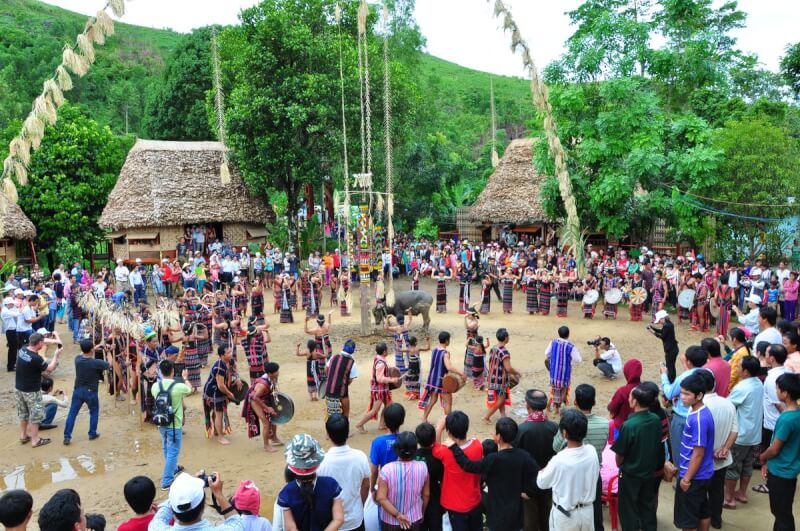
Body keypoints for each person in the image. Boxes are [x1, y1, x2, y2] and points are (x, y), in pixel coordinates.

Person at [448, 417, 538, 531]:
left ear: (499, 437)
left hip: (497, 515)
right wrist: (529, 492)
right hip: (516, 514)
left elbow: (468, 465)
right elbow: (538, 475)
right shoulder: (524, 456)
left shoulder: (493, 459)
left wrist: (454, 448)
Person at [552, 384, 609, 531]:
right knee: (594, 511)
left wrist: (562, 429)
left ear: (575, 402)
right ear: (594, 402)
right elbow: (602, 447)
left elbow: (555, 446)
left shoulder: (569, 425)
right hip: (593, 472)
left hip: (571, 472)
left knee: (570, 510)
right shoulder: (604, 424)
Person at [611, 384, 663, 531]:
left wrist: (620, 465)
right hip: (648, 472)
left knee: (628, 510)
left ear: (635, 402)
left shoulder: (629, 425)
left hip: (631, 474)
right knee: (647, 506)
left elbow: (620, 455)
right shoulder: (655, 419)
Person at [536, 409, 599, 531]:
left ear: (564, 433)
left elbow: (541, 483)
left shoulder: (559, 460)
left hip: (565, 515)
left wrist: (542, 471)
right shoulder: (592, 451)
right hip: (587, 512)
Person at [695, 369, 737, 529]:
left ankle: (702, 521)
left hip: (703, 460)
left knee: (700, 492)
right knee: (717, 490)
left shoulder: (699, 408)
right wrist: (725, 449)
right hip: (722, 458)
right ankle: (716, 519)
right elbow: (735, 429)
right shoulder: (728, 403)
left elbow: (698, 438)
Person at [674, 373, 716, 531]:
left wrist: (686, 479)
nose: (682, 397)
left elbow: (698, 453)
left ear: (699, 395)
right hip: (703, 473)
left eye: (687, 394)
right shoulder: (699, 412)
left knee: (688, 520)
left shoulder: (698, 419)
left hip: (694, 476)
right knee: (702, 511)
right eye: (682, 392)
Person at [278, 433, 345, 531]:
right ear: (316, 462)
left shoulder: (286, 493)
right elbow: (339, 519)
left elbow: (291, 527)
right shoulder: (331, 485)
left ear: (292, 466)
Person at [759, 373, 800, 531]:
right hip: (790, 469)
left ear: (786, 393)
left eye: (778, 388)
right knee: (783, 511)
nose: (776, 391)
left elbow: (775, 448)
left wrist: (762, 458)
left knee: (780, 512)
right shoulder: (796, 414)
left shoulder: (787, 419)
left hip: (781, 471)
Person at [431, 411, 483, 531]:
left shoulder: (445, 452)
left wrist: (439, 428)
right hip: (474, 500)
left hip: (454, 505)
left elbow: (435, 448)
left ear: (448, 432)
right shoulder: (478, 445)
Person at [515, 389, 558, 531]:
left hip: (528, 484)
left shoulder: (521, 429)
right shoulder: (554, 428)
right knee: (547, 518)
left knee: (530, 522)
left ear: (528, 406)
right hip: (550, 481)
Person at [725, 356, 764, 510]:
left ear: (746, 372)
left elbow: (728, 405)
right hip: (754, 434)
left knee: (732, 467)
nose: (737, 368)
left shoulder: (742, 387)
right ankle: (741, 493)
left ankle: (728, 499)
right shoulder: (758, 383)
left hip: (740, 435)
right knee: (747, 465)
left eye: (739, 366)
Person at [318, 415, 370, 531]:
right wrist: (360, 505)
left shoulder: (321, 462)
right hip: (355, 518)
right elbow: (366, 485)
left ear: (328, 435)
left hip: (331, 522)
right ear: (347, 433)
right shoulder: (360, 457)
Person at [661, 345, 708, 464]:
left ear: (688, 361)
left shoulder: (684, 377)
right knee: (697, 448)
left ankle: (681, 478)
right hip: (702, 414)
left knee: (679, 450)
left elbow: (669, 393)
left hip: (682, 417)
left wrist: (663, 375)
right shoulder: (708, 373)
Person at [152, 359, 194, 489]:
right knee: (173, 452)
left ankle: (173, 469)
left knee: (166, 448)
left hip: (161, 422)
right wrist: (185, 378)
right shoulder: (178, 386)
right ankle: (167, 480)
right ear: (173, 371)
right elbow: (190, 389)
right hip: (174, 424)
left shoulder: (155, 386)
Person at [376, 431, 430, 531]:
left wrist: (398, 515)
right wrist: (421, 512)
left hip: (390, 521)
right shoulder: (423, 467)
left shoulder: (387, 469)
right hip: (414, 519)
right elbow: (426, 494)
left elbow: (381, 498)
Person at [150, 472, 242, 530]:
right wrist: (218, 494)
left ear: (174, 510)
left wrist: (182, 489)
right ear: (204, 506)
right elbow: (236, 521)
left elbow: (161, 515)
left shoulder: (155, 528)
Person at [15, 332, 60, 448]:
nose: (43, 344)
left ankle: (23, 435)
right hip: (31, 390)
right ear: (39, 343)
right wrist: (56, 355)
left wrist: (55, 341)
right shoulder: (36, 358)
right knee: (35, 415)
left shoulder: (22, 349)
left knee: (23, 413)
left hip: (19, 388)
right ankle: (35, 440)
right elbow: (49, 369)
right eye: (43, 342)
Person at [62, 338, 110, 446]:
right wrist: (109, 352)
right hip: (91, 392)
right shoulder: (96, 363)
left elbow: (83, 352)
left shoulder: (77, 359)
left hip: (78, 390)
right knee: (94, 412)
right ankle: (92, 433)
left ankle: (67, 436)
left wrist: (97, 346)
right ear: (92, 349)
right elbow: (109, 365)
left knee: (72, 414)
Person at [356, 343, 401, 433]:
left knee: (388, 406)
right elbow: (380, 378)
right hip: (379, 389)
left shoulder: (379, 358)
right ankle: (360, 424)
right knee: (375, 410)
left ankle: (382, 424)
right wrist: (392, 380)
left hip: (382, 388)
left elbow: (385, 367)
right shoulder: (380, 363)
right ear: (384, 352)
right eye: (387, 350)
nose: (388, 351)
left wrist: (393, 367)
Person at [420, 331, 462, 422]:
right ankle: (449, 422)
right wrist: (461, 373)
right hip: (442, 381)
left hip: (432, 380)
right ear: (447, 341)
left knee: (432, 400)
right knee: (447, 402)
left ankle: (424, 419)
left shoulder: (435, 350)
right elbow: (449, 367)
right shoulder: (445, 353)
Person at [203, 345, 239, 445]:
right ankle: (220, 437)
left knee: (216, 413)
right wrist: (229, 393)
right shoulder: (220, 367)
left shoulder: (229, 361)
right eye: (228, 353)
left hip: (219, 389)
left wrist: (238, 378)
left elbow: (235, 368)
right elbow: (221, 386)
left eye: (231, 352)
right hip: (213, 391)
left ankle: (216, 431)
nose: (231, 354)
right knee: (219, 414)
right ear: (222, 355)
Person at [242, 362, 282, 452]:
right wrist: (267, 408)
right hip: (255, 400)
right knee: (266, 423)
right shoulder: (262, 385)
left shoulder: (273, 377)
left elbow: (274, 388)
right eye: (276, 371)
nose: (278, 372)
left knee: (274, 417)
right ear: (270, 373)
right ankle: (266, 445)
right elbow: (255, 397)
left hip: (264, 397)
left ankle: (274, 437)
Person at [484, 328, 521, 422]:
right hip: (500, 379)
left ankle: (503, 415)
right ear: (505, 338)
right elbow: (508, 368)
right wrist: (517, 372)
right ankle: (486, 417)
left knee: (501, 398)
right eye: (508, 336)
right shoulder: (504, 352)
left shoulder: (494, 348)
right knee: (500, 399)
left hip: (492, 377)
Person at [369, 404, 406, 496]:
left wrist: (372, 487)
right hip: (404, 483)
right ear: (402, 421)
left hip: (385, 483)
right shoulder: (407, 439)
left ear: (385, 421)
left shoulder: (378, 442)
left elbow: (374, 470)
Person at [545, 326, 582, 413]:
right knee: (563, 390)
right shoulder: (571, 346)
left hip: (553, 372)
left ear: (559, 333)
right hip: (564, 373)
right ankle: (557, 409)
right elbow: (578, 360)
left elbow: (547, 353)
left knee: (554, 389)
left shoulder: (553, 342)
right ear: (568, 335)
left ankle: (549, 405)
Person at [414, 422, 444, 531]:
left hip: (417, 499)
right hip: (435, 498)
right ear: (433, 440)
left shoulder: (413, 456)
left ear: (417, 440)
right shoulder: (439, 458)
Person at [323, 339, 359, 418]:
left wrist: (330, 379)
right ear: (353, 351)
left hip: (329, 390)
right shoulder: (352, 362)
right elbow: (349, 380)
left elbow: (326, 369)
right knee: (346, 413)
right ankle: (344, 427)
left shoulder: (334, 356)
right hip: (341, 392)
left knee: (331, 415)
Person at [607, 359, 642, 436]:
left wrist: (610, 408)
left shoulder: (622, 391)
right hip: (641, 428)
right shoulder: (645, 388)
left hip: (622, 428)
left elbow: (613, 407)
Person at [649, 310, 680, 382]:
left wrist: (651, 331)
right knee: (671, 366)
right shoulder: (668, 324)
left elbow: (662, 336)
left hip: (671, 350)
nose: (659, 322)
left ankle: (671, 381)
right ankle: (671, 380)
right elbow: (662, 331)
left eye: (659, 320)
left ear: (663, 318)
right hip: (672, 348)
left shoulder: (667, 326)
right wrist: (652, 327)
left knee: (670, 367)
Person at [2, 296, 19, 372]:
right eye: (11, 304)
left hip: (11, 331)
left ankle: (12, 365)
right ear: (8, 304)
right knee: (12, 349)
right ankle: (10, 366)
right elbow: (17, 314)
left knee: (13, 349)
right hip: (10, 331)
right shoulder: (5, 311)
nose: (13, 305)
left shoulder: (7, 310)